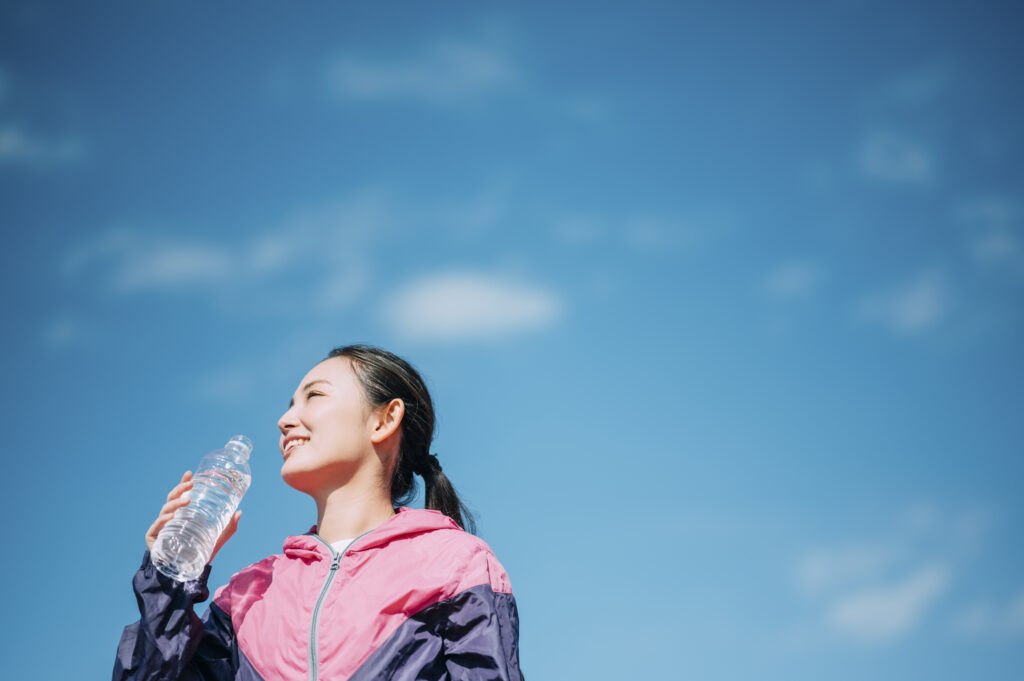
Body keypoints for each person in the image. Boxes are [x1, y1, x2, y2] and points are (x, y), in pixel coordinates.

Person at [113, 344, 523, 681]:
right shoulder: (246, 595)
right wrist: (169, 580)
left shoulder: (455, 565)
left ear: (385, 419)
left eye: (314, 396)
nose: (285, 420)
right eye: (289, 404)